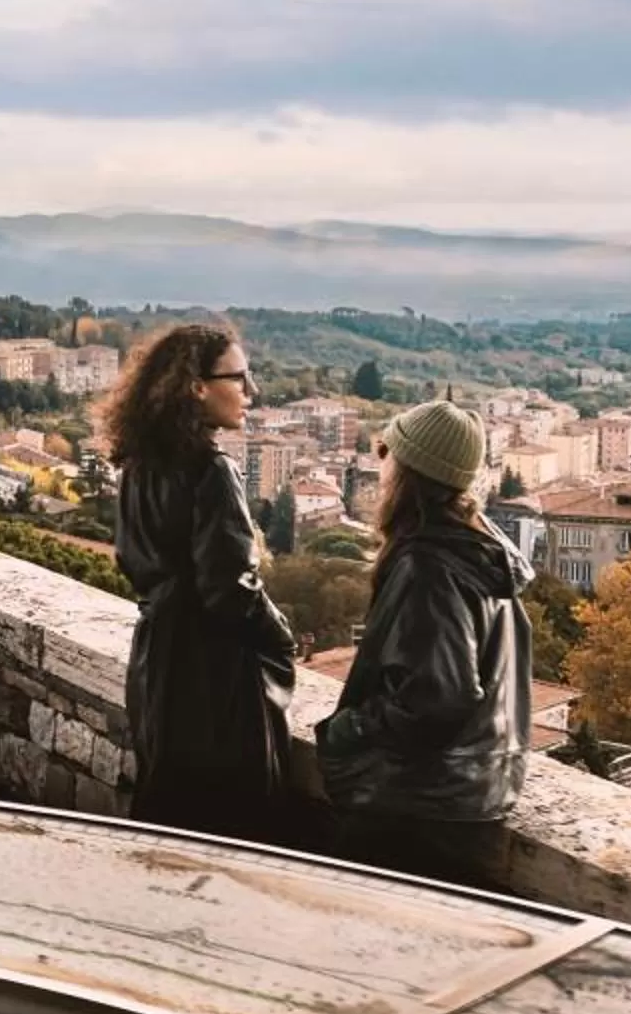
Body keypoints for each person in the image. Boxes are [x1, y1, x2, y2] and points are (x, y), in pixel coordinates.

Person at [315, 400, 532, 889]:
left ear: (411, 470)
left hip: (415, 814)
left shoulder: (430, 567)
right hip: (472, 805)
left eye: (387, 452)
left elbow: (437, 698)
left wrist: (347, 729)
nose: (381, 464)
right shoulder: (483, 555)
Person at [104, 323, 300, 841]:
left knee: (167, 821)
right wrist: (280, 635)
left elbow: (133, 560)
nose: (250, 392)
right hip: (210, 679)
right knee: (227, 831)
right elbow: (229, 589)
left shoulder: (139, 463)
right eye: (237, 378)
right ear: (196, 386)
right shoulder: (212, 470)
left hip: (155, 664)